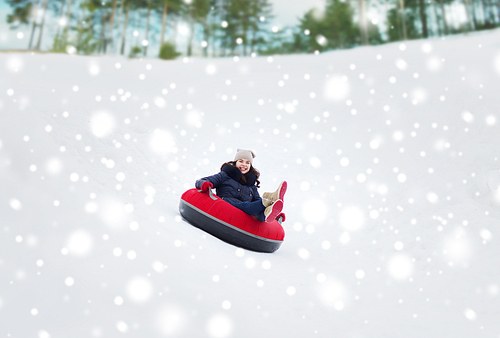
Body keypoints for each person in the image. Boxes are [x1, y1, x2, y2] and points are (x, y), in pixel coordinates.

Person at [195, 149, 286, 223]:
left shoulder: (251, 184)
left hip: (245, 213)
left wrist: (276, 216)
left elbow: (256, 201)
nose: (244, 165)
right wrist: (205, 184)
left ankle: (270, 207)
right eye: (241, 161)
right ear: (235, 162)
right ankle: (268, 200)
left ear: (250, 165)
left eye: (247, 162)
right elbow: (201, 181)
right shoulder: (225, 175)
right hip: (226, 205)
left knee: (260, 216)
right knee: (246, 205)